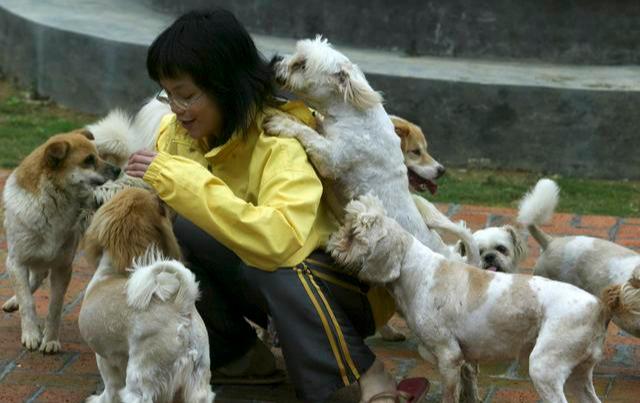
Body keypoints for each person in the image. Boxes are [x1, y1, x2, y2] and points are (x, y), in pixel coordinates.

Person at [125, 8, 429, 403]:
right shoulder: (179, 134)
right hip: (278, 285)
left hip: (347, 286)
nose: (175, 109)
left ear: (226, 86)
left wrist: (183, 182)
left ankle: (361, 375)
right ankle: (241, 361)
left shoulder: (282, 138)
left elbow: (280, 240)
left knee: (273, 257)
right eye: (168, 94)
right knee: (182, 232)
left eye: (186, 95)